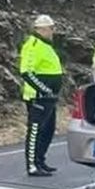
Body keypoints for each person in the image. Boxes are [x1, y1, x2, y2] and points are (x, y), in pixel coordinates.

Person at [20, 14, 63, 176]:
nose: (53, 31)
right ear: (41, 29)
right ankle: (32, 165)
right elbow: (26, 72)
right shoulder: (33, 45)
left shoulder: (46, 45)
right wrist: (43, 90)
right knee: (35, 130)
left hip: (49, 97)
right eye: (51, 28)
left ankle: (40, 160)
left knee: (48, 129)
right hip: (38, 96)